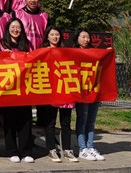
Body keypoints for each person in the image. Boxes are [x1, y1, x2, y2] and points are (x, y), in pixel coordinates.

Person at [0, 18, 34, 163]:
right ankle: (12, 151)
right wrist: (2, 56)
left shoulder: (26, 45)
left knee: (25, 120)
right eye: (13, 27)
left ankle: (26, 151)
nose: (15, 30)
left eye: (18, 27)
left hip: (24, 88)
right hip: (7, 89)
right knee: (9, 121)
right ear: (7, 29)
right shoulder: (0, 45)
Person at [39, 26, 78, 163]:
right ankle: (51, 149)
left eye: (57, 35)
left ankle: (67, 149)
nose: (55, 37)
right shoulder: (43, 52)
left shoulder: (66, 51)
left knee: (66, 123)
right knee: (50, 122)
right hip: (50, 91)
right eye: (52, 35)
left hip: (65, 90)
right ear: (47, 37)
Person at [74, 27, 106, 161]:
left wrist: (108, 53)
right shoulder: (73, 53)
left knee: (91, 121)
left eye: (87, 37)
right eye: (83, 37)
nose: (86, 40)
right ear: (77, 38)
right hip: (81, 92)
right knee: (82, 120)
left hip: (94, 91)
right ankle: (82, 149)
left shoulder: (94, 53)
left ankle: (90, 146)